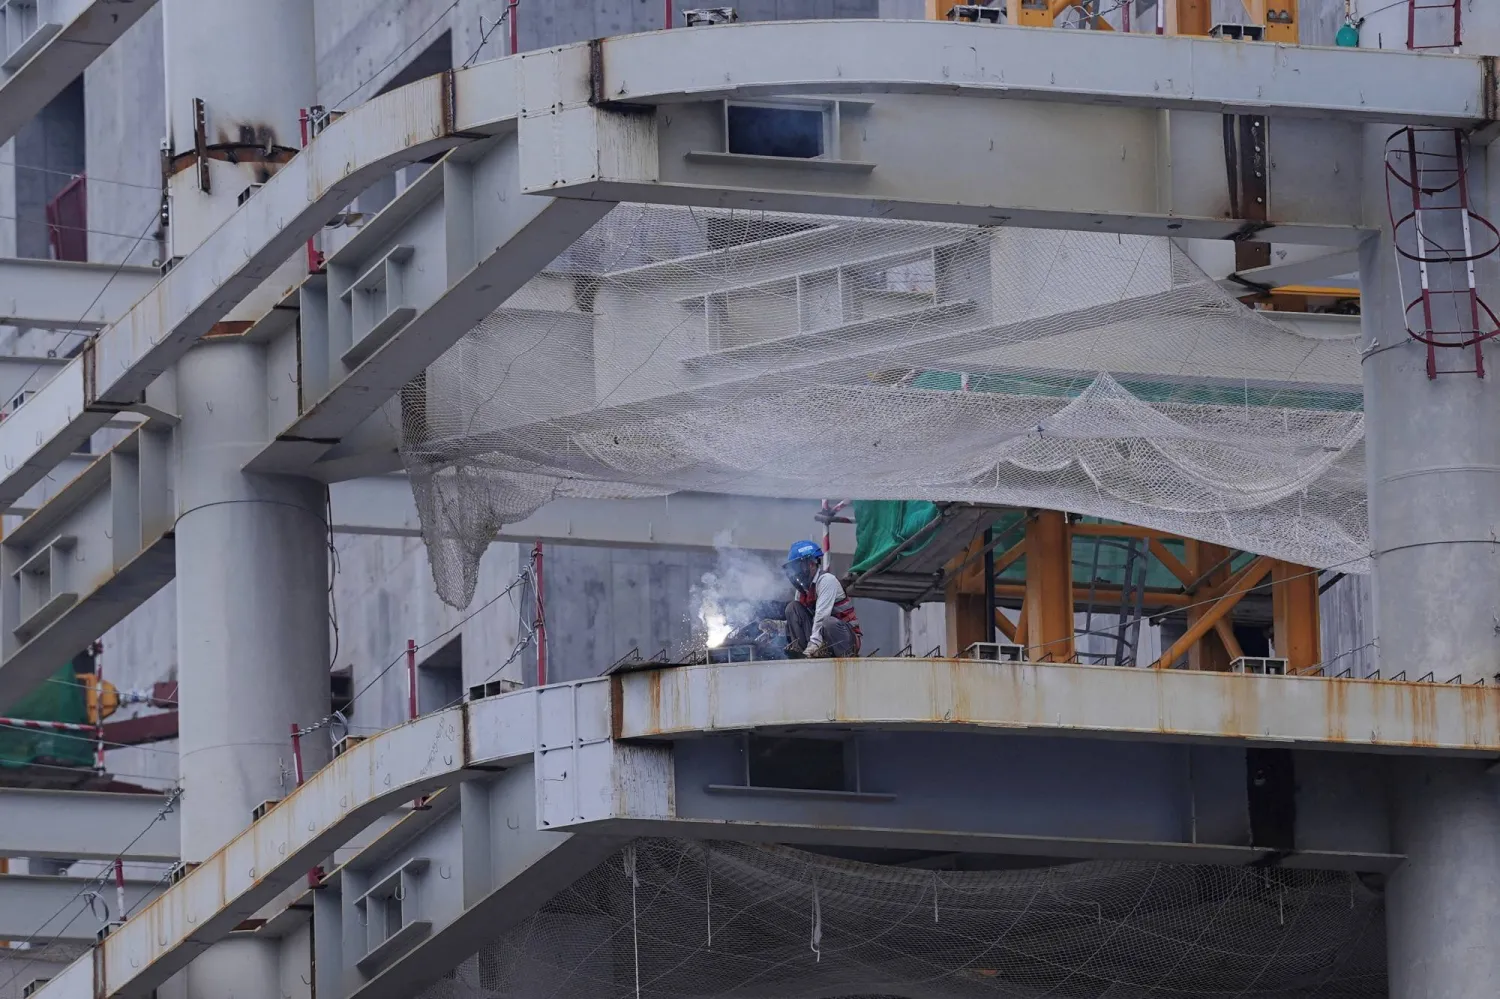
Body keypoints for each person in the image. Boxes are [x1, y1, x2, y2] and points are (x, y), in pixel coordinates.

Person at [781, 540, 861, 658]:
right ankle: (802, 654)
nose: (796, 573)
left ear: (812, 564)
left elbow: (821, 616)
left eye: (799, 567)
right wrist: (777, 626)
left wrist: (813, 646)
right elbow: (798, 619)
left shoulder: (827, 580)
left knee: (828, 622)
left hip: (844, 640)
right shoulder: (803, 590)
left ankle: (842, 656)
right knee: (792, 608)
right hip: (821, 640)